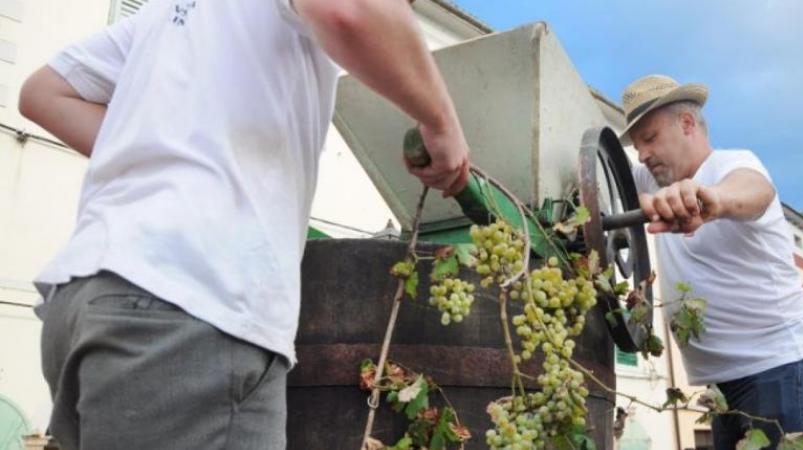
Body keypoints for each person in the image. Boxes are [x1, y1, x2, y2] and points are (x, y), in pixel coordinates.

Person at [18, 1, 470, 449]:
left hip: (83, 302)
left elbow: (44, 93)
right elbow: (346, 9)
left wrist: (172, 154)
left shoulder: (169, 13)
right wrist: (441, 121)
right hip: (188, 308)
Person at [621, 74, 803, 449]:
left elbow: (755, 191)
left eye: (650, 138)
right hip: (722, 385)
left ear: (687, 124)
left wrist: (713, 201)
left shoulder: (731, 164)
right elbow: (603, 172)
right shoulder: (651, 180)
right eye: (637, 146)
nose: (642, 154)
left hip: (781, 369)